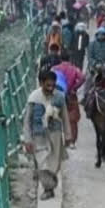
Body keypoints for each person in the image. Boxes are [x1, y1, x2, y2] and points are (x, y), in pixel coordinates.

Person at [23, 70, 72, 200]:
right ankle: (48, 188)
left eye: (52, 85)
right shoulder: (33, 98)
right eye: (48, 85)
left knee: (54, 163)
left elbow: (65, 117)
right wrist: (27, 139)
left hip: (55, 134)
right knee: (42, 163)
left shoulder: (60, 97)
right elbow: (27, 120)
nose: (50, 88)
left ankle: (49, 188)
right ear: (41, 83)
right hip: (39, 135)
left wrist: (68, 136)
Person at [52, 52, 85, 147]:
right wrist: (75, 88)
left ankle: (56, 141)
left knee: (55, 116)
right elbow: (82, 78)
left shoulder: (55, 68)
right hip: (71, 95)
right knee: (72, 119)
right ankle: (71, 141)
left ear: (60, 59)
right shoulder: (74, 68)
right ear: (69, 59)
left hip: (57, 94)